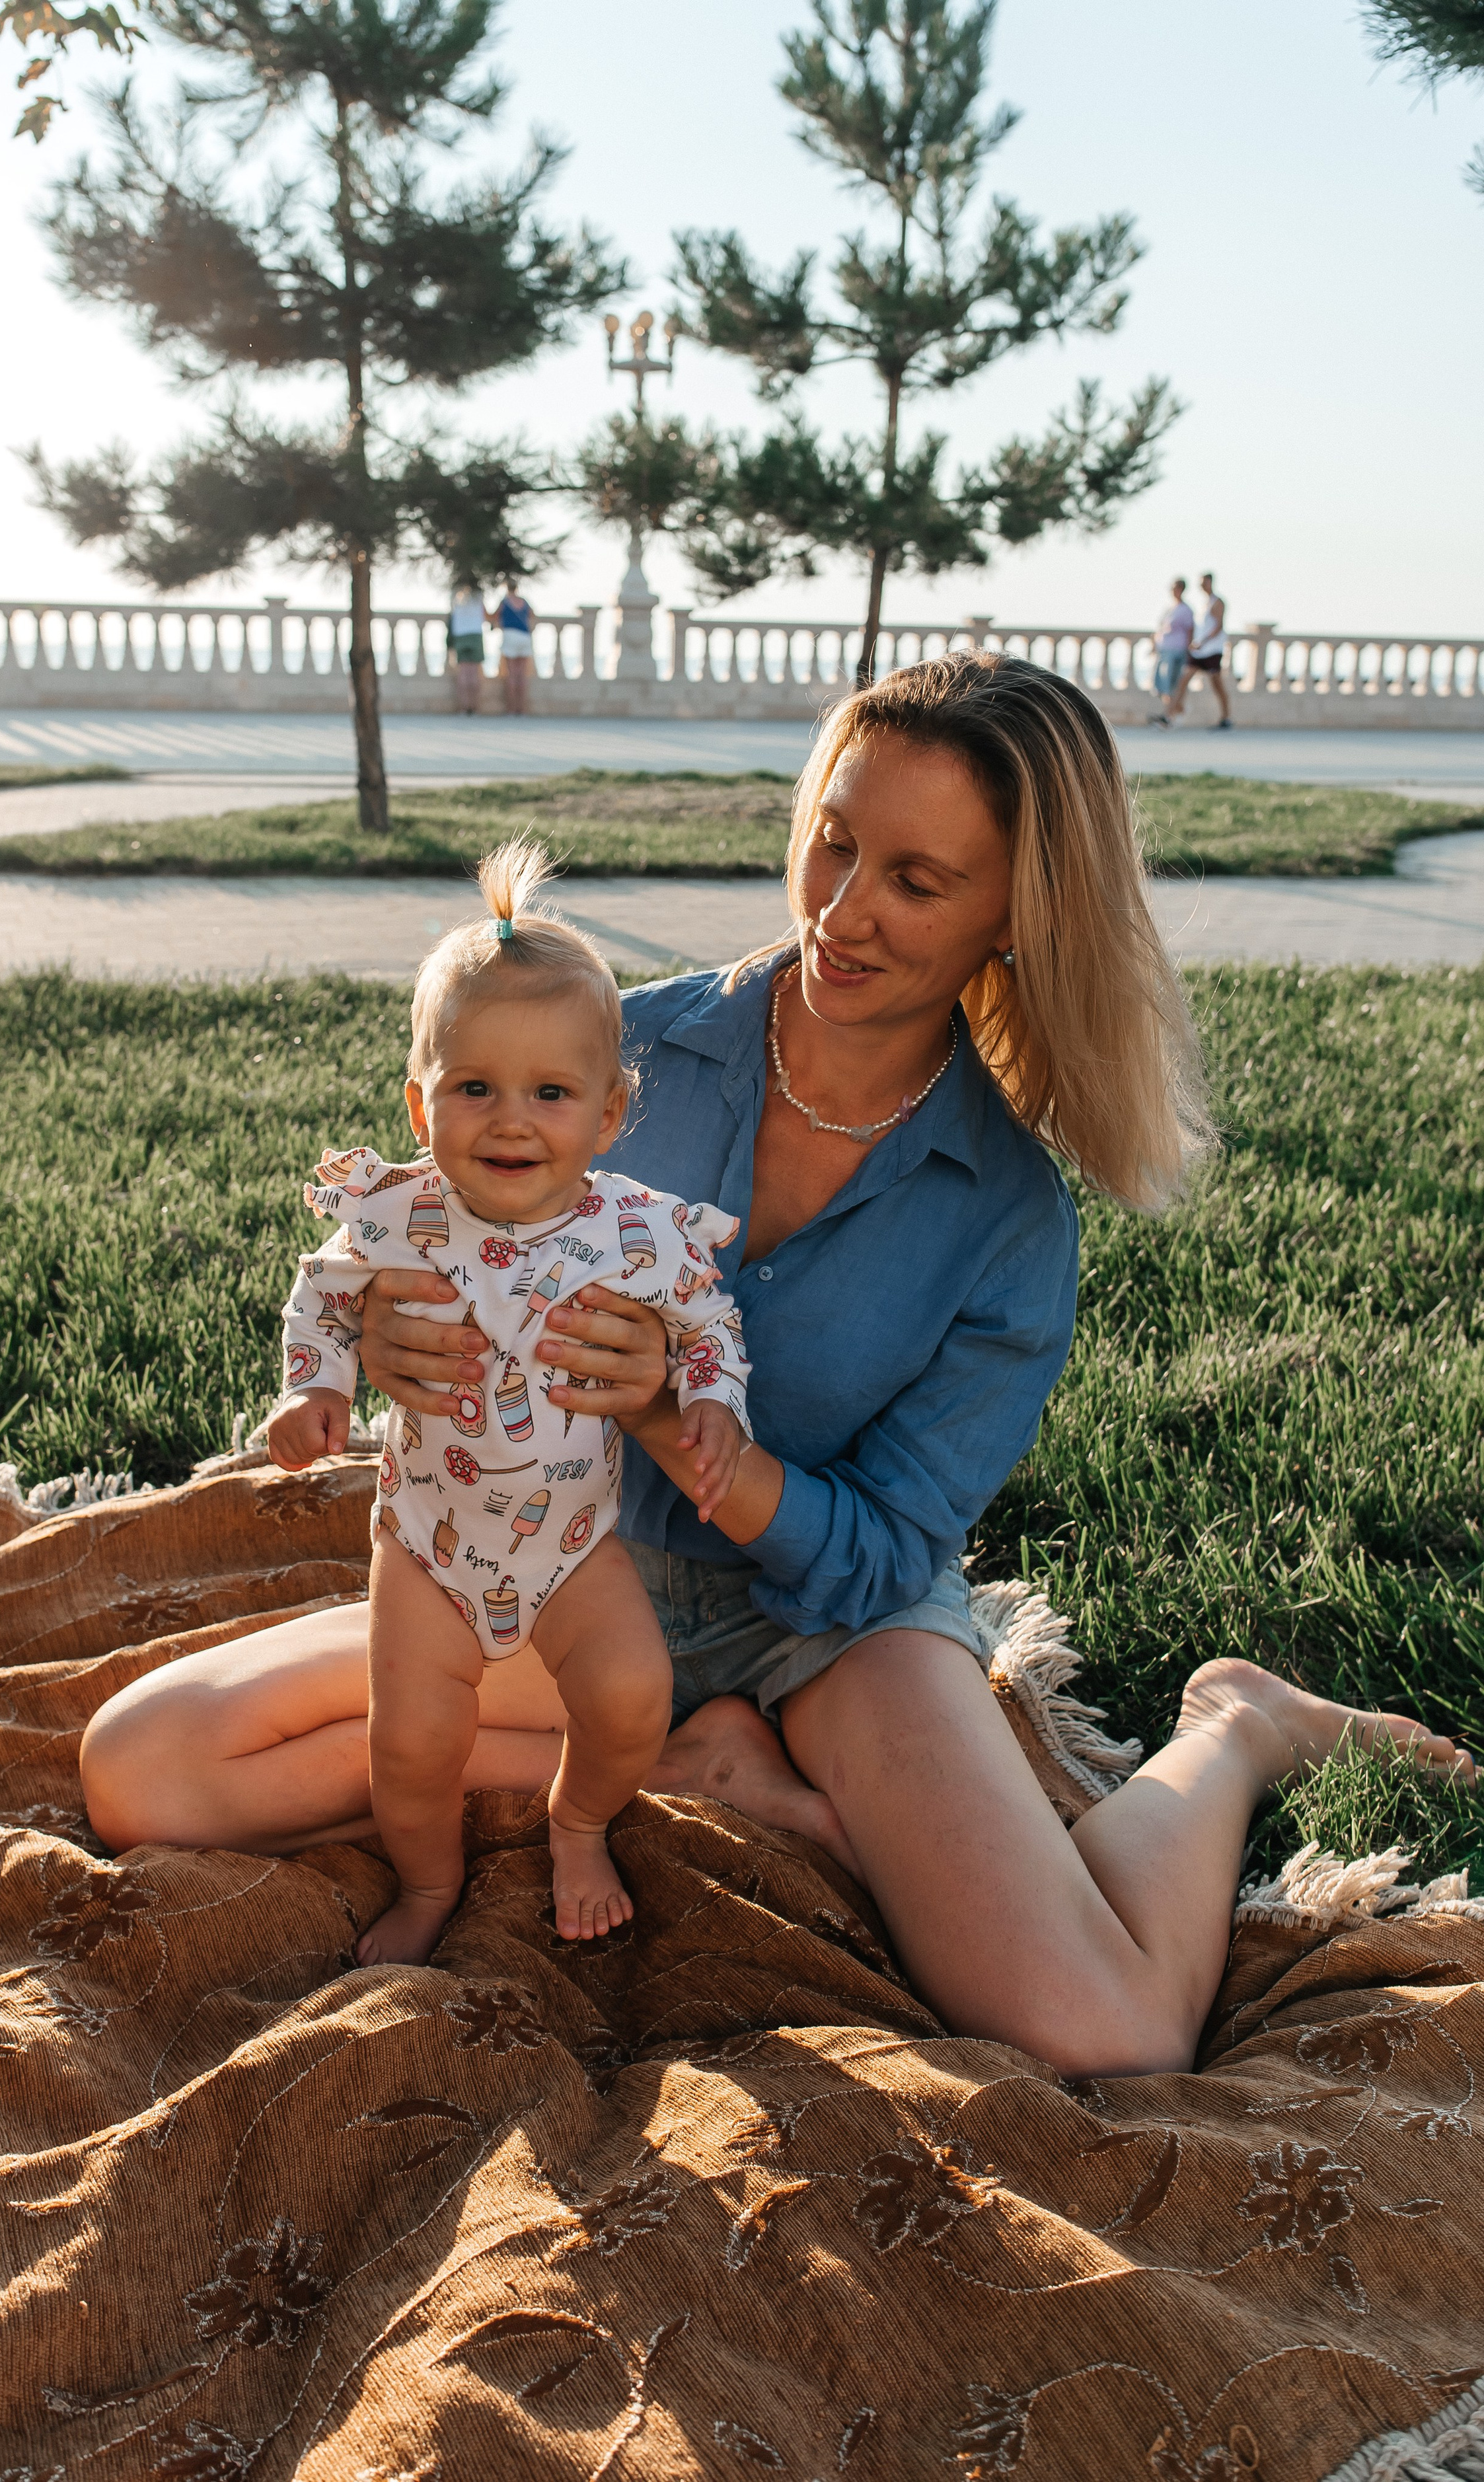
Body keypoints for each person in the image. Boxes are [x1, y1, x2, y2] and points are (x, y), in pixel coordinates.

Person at [79, 652, 1472, 2080]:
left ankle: (1232, 1725)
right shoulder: (613, 1055)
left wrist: (718, 1456)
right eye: (834, 842)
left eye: (917, 884)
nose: (843, 911)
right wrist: (384, 1339)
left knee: (1103, 2031)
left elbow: (885, 1554)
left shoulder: (1003, 1218)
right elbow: (425, 1231)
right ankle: (683, 1773)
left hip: (831, 1629)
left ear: (1012, 917)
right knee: (146, 1767)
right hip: (561, 1568)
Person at [269, 841, 750, 1961]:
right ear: (419, 1100)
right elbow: (320, 1295)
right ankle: (429, 1885)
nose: (511, 1121)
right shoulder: (399, 1215)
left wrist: (715, 1401)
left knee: (634, 1696)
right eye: (473, 1087)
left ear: (611, 1109)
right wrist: (313, 1389)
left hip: (574, 1544)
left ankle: (577, 1823)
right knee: (415, 1744)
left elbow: (706, 1318)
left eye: (550, 1092)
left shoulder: (633, 1232)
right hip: (431, 1543)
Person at [1184, 572, 1232, 728]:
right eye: (1200, 583)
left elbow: (1218, 627)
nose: (1202, 586)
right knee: (1184, 680)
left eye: (1204, 583)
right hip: (1199, 652)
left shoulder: (1217, 602)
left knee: (1218, 685)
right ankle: (1169, 715)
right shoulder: (1203, 604)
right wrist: (1194, 642)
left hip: (1212, 651)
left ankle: (1226, 718)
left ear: (1211, 582)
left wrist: (1202, 642)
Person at [1151, 577, 1194, 725]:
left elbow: (1190, 631)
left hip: (1177, 651)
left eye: (1176, 588)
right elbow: (1160, 628)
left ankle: (1168, 716)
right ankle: (1178, 710)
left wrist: (1189, 651)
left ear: (1181, 590)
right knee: (1160, 684)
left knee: (1171, 683)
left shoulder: (1186, 610)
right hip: (1164, 651)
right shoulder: (1170, 609)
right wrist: (1154, 645)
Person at [493, 580, 535, 715]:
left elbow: (495, 616)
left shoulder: (505, 602)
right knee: (521, 675)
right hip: (525, 636)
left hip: (510, 635)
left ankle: (511, 709)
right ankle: (521, 709)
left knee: (511, 674)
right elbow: (532, 615)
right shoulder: (524, 601)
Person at [447, 581, 486, 715]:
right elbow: (485, 615)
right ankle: (475, 707)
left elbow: (452, 618)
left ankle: (464, 707)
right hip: (475, 636)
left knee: (463, 673)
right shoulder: (479, 599)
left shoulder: (457, 600)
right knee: (474, 673)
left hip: (461, 636)